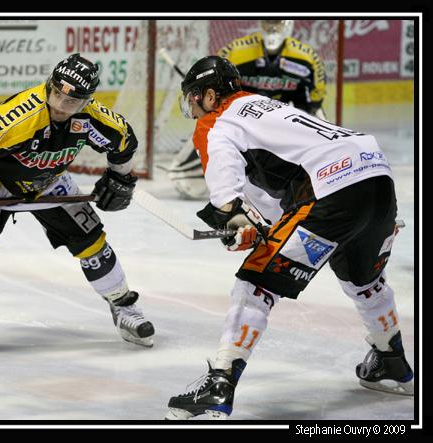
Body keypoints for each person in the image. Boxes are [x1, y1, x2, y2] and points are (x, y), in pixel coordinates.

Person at [165, 56, 414, 420]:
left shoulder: (216, 120)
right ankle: (391, 362)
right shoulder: (267, 105)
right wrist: (256, 224)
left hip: (330, 190)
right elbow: (280, 199)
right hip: (376, 175)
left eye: (194, 98)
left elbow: (226, 191)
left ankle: (219, 385)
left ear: (209, 96)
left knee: (256, 281)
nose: (193, 108)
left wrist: (233, 217)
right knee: (364, 280)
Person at [0, 53, 155, 361]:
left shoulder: (92, 119)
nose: (60, 105)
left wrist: (121, 178)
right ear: (49, 85)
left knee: (93, 244)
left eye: (71, 101)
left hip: (48, 183)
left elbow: (123, 141)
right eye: (56, 94)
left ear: (86, 101)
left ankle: (124, 307)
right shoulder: (19, 117)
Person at [168, 19, 328, 200]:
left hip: (278, 119)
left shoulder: (308, 59)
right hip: (241, 120)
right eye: (268, 22)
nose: (272, 27)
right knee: (185, 173)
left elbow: (312, 105)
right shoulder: (236, 52)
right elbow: (217, 99)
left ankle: (315, 173)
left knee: (319, 139)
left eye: (277, 22)